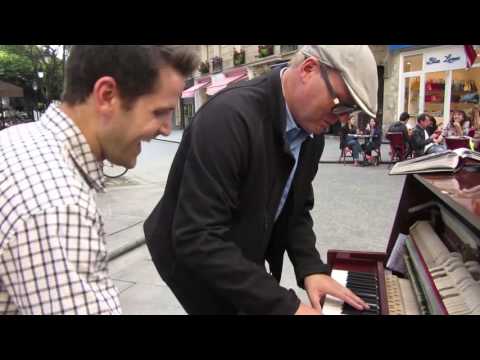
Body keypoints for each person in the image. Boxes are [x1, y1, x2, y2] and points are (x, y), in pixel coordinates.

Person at [144, 45, 378, 315]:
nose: (343, 119)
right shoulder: (229, 118)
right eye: (342, 103)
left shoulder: (312, 132)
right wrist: (287, 307)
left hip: (238, 246)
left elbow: (296, 207)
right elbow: (197, 237)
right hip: (192, 260)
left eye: (351, 111)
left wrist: (311, 267)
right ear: (309, 69)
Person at [0, 45, 199, 315]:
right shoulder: (59, 205)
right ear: (106, 96)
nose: (166, 129)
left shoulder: (20, 138)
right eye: (158, 112)